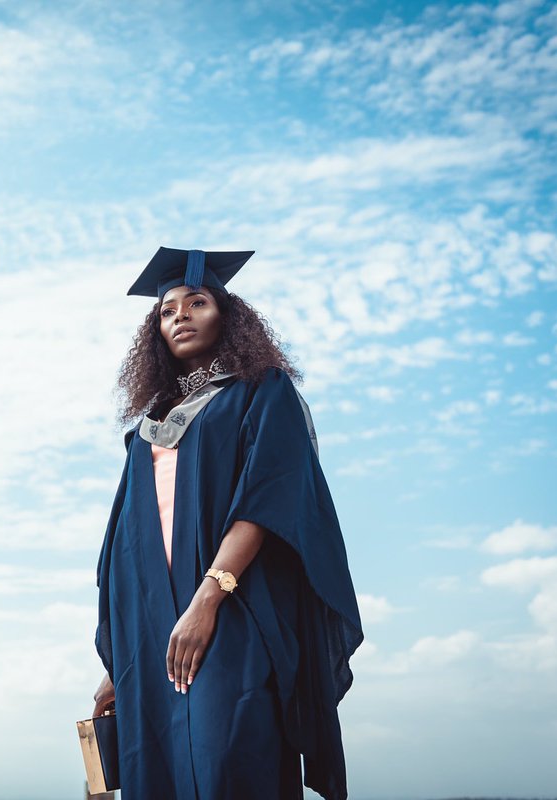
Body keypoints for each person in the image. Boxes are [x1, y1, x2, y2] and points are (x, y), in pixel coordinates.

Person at [92, 247, 363, 800]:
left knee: (231, 755)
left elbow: (269, 499)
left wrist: (207, 599)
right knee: (157, 769)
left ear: (227, 314)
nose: (181, 316)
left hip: (233, 609)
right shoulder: (147, 428)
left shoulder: (261, 393)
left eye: (197, 302)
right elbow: (125, 549)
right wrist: (120, 663)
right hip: (151, 633)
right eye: (167, 310)